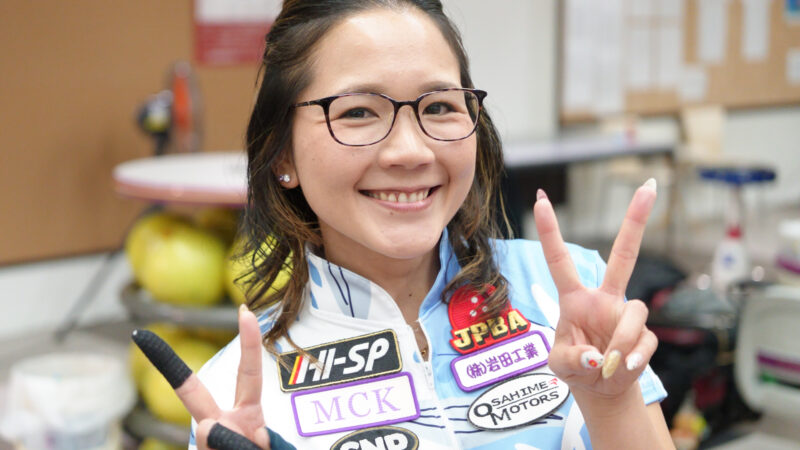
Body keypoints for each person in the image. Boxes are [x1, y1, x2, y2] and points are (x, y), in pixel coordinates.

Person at [133, 0, 674, 448]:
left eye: (439, 107)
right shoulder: (237, 396)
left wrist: (611, 401)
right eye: (357, 112)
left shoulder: (568, 295)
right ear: (283, 156)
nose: (411, 151)